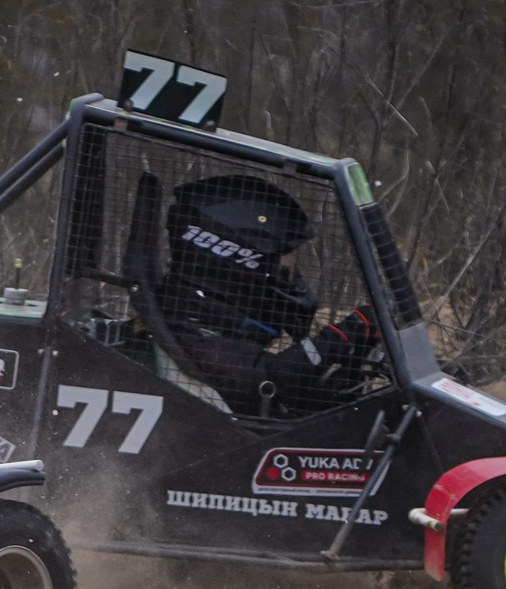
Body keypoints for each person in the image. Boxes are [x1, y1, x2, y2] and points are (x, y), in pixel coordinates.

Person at [140, 172, 380, 418]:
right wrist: (345, 333)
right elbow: (276, 377)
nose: (288, 277)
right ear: (237, 260)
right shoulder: (199, 335)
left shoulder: (199, 324)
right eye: (282, 268)